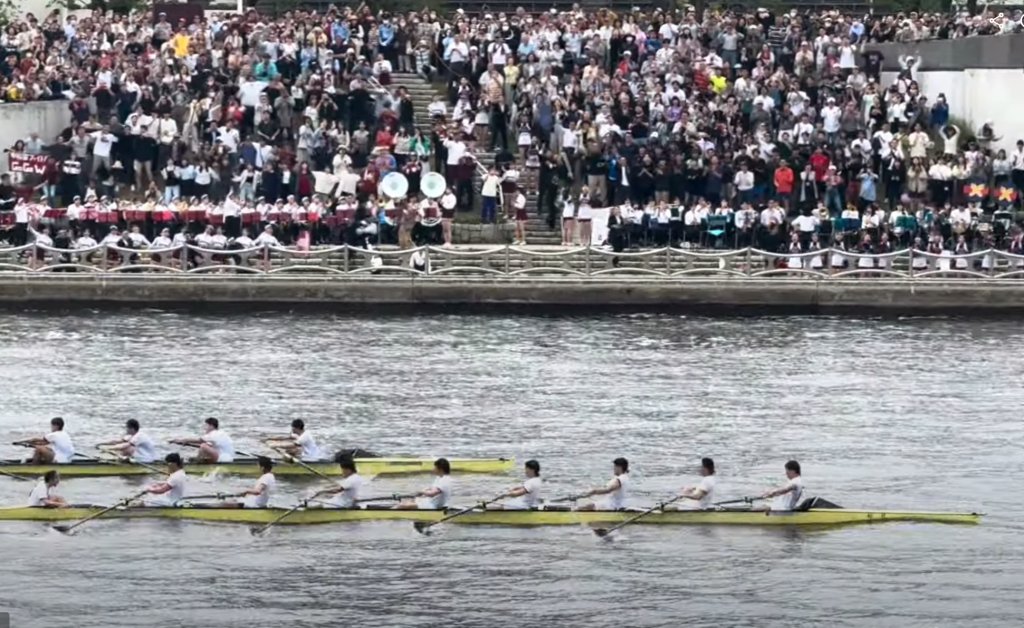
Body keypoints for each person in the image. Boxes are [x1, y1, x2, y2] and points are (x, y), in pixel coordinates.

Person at [170, 417, 235, 463]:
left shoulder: (214, 434)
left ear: (211, 426)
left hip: (223, 459)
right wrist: (187, 443)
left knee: (203, 446)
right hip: (228, 458)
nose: (204, 428)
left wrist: (183, 440)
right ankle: (199, 461)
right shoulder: (221, 433)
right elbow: (204, 443)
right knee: (204, 447)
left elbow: (199, 440)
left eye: (206, 426)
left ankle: (197, 462)